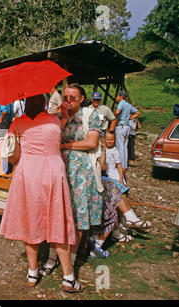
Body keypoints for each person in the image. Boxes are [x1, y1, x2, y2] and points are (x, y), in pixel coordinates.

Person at [0, 94, 81, 293]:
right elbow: (60, 128)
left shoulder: (17, 123)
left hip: (28, 175)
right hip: (53, 172)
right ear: (44, 103)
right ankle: (69, 277)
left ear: (26, 103)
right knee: (58, 221)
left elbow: (13, 158)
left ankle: (32, 272)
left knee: (30, 223)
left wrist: (15, 136)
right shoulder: (54, 121)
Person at [57, 83, 103, 271]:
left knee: (79, 213)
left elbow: (91, 142)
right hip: (61, 168)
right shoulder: (60, 116)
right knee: (61, 210)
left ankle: (73, 257)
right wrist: (64, 119)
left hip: (82, 171)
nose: (68, 101)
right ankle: (58, 254)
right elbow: (53, 139)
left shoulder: (90, 115)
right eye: (65, 97)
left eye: (72, 98)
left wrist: (67, 146)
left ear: (82, 99)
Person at [114, 90, 140, 170]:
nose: (116, 97)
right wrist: (130, 118)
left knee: (120, 147)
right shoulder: (128, 105)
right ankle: (125, 165)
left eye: (117, 96)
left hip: (121, 126)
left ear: (121, 96)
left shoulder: (121, 103)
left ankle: (120, 166)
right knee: (125, 147)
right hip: (127, 127)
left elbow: (118, 112)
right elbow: (138, 112)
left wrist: (113, 116)